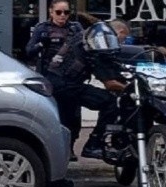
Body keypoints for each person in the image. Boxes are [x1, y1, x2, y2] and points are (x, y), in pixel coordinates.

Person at [46, 21, 123, 160]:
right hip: (67, 86)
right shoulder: (94, 45)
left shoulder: (81, 37)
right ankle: (94, 144)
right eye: (121, 38)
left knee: (70, 119)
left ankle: (65, 154)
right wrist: (129, 87)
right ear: (118, 33)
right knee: (110, 102)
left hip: (56, 83)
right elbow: (110, 84)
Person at [25, 0, 83, 160]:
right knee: (53, 115)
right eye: (59, 12)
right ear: (51, 12)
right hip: (51, 79)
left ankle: (69, 148)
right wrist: (41, 45)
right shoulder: (42, 29)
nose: (62, 16)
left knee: (73, 116)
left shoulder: (75, 28)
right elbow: (29, 51)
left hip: (72, 78)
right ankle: (54, 151)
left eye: (66, 12)